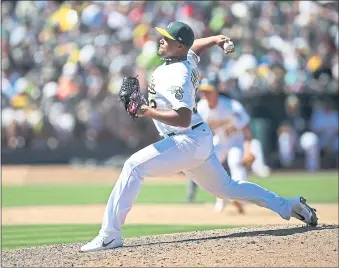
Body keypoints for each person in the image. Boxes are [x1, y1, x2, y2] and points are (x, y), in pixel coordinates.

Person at [80, 21, 318, 253]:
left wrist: (147, 112)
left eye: (168, 39)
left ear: (179, 46)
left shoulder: (178, 74)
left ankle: (110, 236)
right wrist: (216, 39)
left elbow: (182, 117)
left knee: (133, 167)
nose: (161, 40)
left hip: (185, 139)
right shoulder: (184, 58)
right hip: (197, 138)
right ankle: (288, 204)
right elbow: (195, 48)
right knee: (227, 188)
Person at [186, 74, 264, 214]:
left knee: (235, 163)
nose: (206, 94)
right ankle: (221, 198)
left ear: (216, 91)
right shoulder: (202, 107)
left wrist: (247, 151)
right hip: (220, 141)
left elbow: (246, 131)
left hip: (236, 142)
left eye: (209, 91)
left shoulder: (231, 106)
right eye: (204, 91)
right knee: (207, 163)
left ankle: (239, 199)